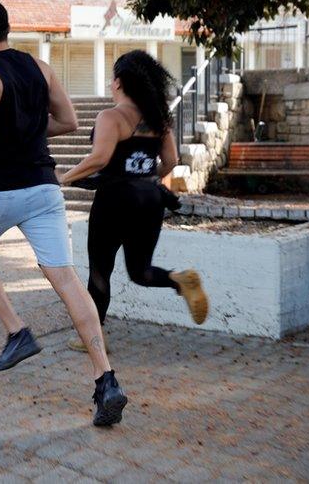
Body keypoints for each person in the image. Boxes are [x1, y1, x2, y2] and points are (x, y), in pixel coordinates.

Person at [0, 0, 126, 427]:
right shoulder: (40, 67)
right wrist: (29, 128)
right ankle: (105, 378)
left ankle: (16, 331)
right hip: (44, 187)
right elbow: (67, 120)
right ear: (8, 30)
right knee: (67, 279)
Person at [59, 50, 209, 342]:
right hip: (150, 200)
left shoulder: (111, 117)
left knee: (100, 271)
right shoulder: (158, 119)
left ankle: (92, 338)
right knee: (140, 271)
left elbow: (99, 159)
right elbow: (170, 161)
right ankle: (181, 280)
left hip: (113, 202)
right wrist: (147, 180)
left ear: (118, 83)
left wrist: (64, 177)